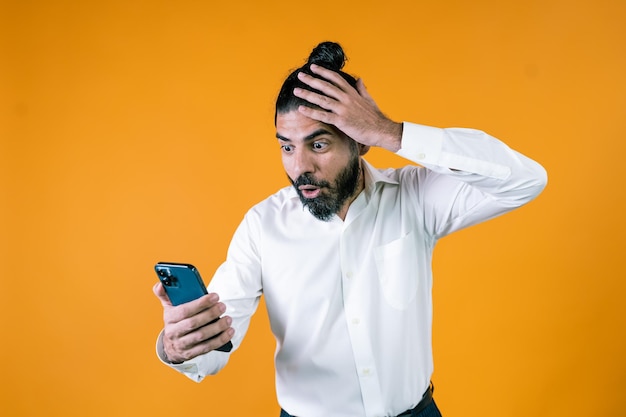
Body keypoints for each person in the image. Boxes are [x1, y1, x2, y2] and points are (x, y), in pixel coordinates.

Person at [153, 41, 547, 417]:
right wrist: (179, 345)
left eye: (318, 145)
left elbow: (524, 179)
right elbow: (217, 341)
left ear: (360, 142)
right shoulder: (262, 225)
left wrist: (390, 131)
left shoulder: (415, 198)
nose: (299, 167)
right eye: (287, 147)